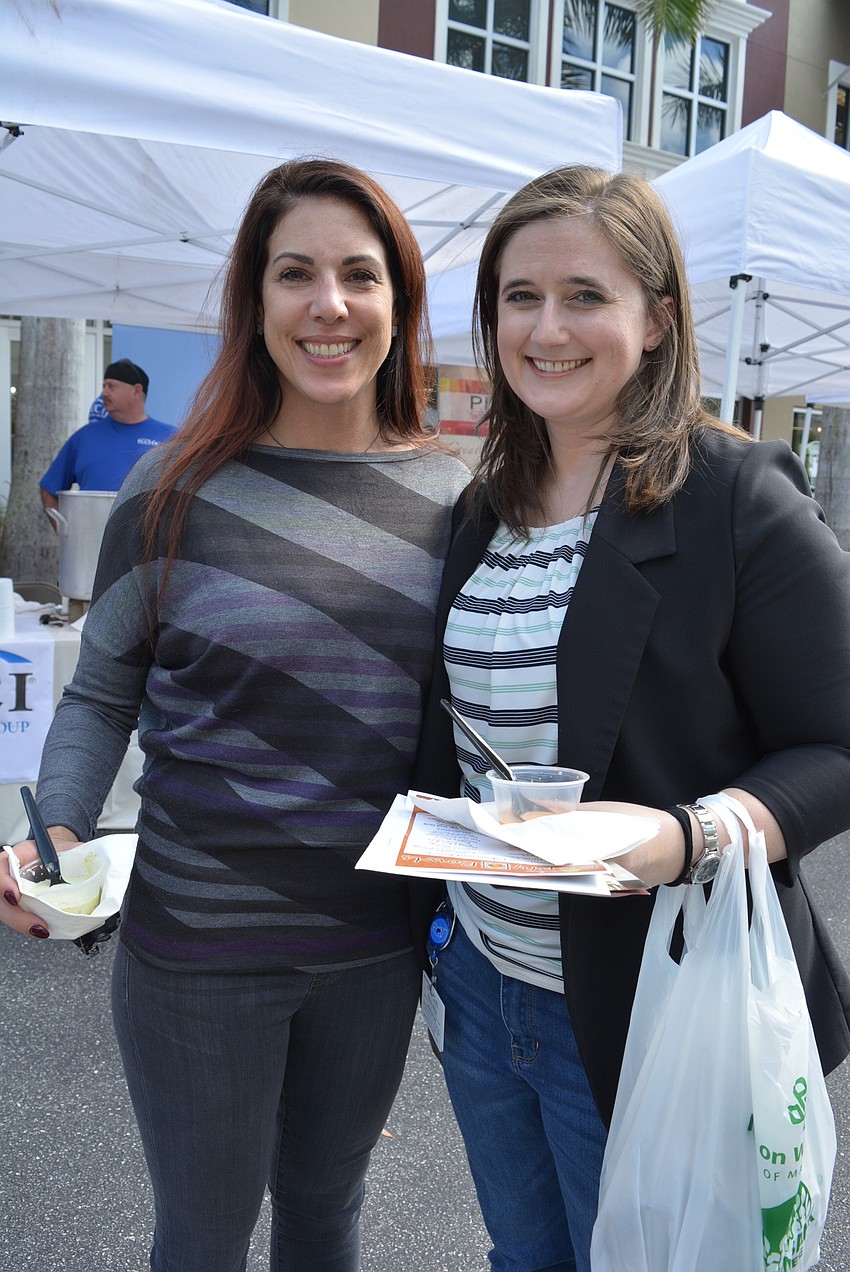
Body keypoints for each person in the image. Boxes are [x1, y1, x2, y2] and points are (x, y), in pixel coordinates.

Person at [1, 158, 469, 1272]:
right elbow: (103, 690)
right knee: (204, 1238)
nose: (329, 304)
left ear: (398, 304)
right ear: (253, 304)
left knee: (325, 1217)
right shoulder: (173, 492)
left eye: (360, 275)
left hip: (373, 949)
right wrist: (56, 829)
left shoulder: (458, 500)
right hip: (194, 953)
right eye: (294, 272)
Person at [411, 165, 850, 1272]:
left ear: (655, 321)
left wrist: (688, 836)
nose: (546, 328)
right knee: (526, 1258)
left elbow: (840, 742)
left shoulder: (734, 494)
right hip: (482, 976)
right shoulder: (484, 509)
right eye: (519, 297)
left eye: (583, 296)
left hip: (645, 992)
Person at [39, 358, 175, 519]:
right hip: (92, 541)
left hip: (149, 542)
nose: (104, 393)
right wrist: (66, 533)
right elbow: (48, 489)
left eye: (111, 386)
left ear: (136, 391)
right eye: (104, 386)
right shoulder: (83, 438)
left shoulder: (171, 438)